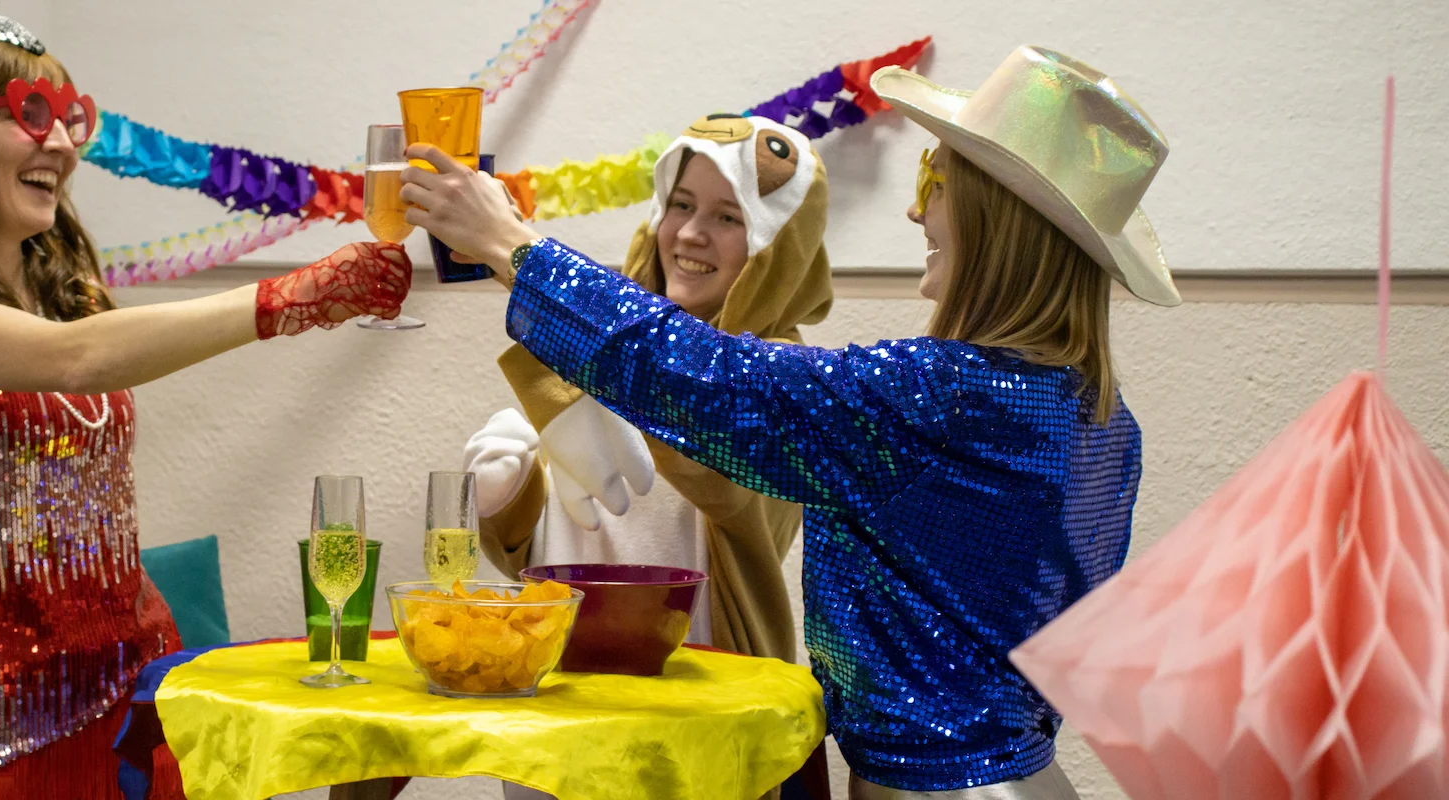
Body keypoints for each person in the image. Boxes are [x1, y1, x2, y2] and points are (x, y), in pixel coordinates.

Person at [404, 45, 1179, 798]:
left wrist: (515, 246)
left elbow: (716, 385)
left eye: (934, 177)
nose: (916, 208)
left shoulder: (936, 397)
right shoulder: (1103, 418)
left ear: (996, 217)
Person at [0, 3, 409, 797]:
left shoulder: (64, 291)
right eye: (33, 113)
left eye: (71, 117)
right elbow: (75, 361)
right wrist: (290, 298)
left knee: (379, 718)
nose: (62, 142)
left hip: (132, 707)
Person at [472, 113, 835, 800]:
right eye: (681, 204)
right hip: (565, 726)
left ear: (777, 247)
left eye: (730, 217)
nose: (692, 233)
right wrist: (508, 497)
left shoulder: (791, 380)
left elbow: (709, 457)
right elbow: (554, 555)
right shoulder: (605, 353)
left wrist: (554, 342)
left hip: (696, 735)